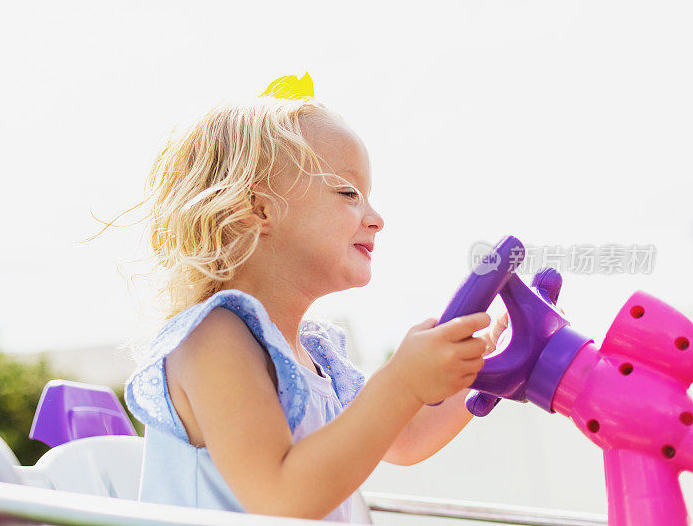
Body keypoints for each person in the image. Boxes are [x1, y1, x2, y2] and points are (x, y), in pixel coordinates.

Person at [123, 74, 508, 522]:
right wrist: (401, 380)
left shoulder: (316, 352)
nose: (377, 218)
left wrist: (489, 361)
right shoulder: (214, 338)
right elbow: (283, 497)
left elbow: (404, 439)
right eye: (349, 194)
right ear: (258, 209)